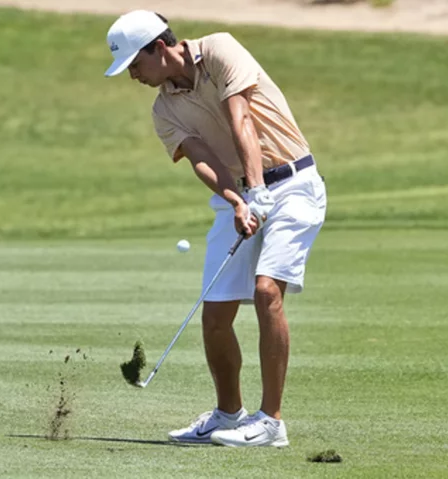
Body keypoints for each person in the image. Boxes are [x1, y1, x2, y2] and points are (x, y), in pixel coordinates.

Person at [105, 10, 326, 448]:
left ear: (159, 47)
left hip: (293, 185)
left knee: (267, 292)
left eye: (135, 63)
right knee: (216, 314)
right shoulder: (164, 109)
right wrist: (239, 200)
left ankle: (271, 423)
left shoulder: (221, 48)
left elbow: (240, 117)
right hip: (243, 195)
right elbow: (201, 157)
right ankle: (228, 415)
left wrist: (259, 190)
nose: (133, 75)